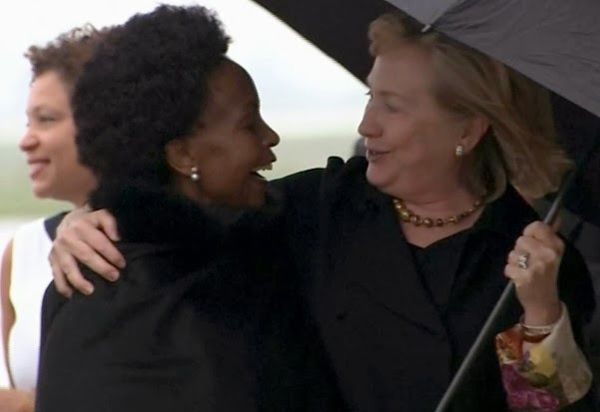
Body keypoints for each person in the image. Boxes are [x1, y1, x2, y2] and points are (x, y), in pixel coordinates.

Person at [48, 10, 595, 411]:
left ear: (467, 129)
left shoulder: (536, 256)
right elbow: (182, 215)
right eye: (369, 99)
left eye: (392, 107)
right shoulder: (314, 207)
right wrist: (86, 221)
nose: (366, 127)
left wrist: (542, 314)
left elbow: (551, 410)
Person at [35, 6, 340, 412]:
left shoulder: (269, 229)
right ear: (181, 155)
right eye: (249, 124)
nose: (271, 137)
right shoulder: (114, 291)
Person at [0, 25, 105, 412]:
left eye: (45, 119)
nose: (26, 140)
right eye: (28, 122)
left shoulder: (153, 242)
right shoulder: (22, 251)